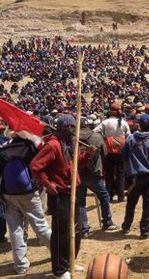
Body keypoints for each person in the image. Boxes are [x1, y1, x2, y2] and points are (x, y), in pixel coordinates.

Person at [30, 115, 95, 279]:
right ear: (61, 128)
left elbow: (75, 163)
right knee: (61, 233)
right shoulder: (53, 145)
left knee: (76, 230)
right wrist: (47, 184)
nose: (73, 130)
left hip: (73, 192)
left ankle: (70, 262)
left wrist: (87, 154)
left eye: (74, 127)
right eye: (69, 127)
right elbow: (35, 166)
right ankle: (59, 270)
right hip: (60, 195)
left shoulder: (70, 144)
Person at [0, 135, 51, 274]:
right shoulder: (30, 147)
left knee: (15, 229)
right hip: (29, 192)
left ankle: (21, 266)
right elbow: (39, 168)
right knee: (40, 225)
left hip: (8, 193)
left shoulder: (3, 148)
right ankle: (58, 253)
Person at [121, 114, 149, 238]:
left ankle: (126, 226)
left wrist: (129, 168)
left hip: (133, 177)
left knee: (131, 203)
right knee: (148, 204)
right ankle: (144, 230)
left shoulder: (130, 139)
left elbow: (124, 156)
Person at [77, 118, 117, 238]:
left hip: (79, 174)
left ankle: (84, 229)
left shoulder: (73, 138)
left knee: (81, 202)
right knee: (104, 197)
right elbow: (105, 153)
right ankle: (107, 222)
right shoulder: (97, 136)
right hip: (94, 173)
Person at [94, 102, 130, 203]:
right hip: (121, 151)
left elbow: (95, 131)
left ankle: (109, 195)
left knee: (109, 174)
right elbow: (128, 135)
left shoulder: (105, 122)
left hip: (108, 151)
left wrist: (104, 136)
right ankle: (120, 196)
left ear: (110, 111)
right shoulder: (123, 122)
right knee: (121, 174)